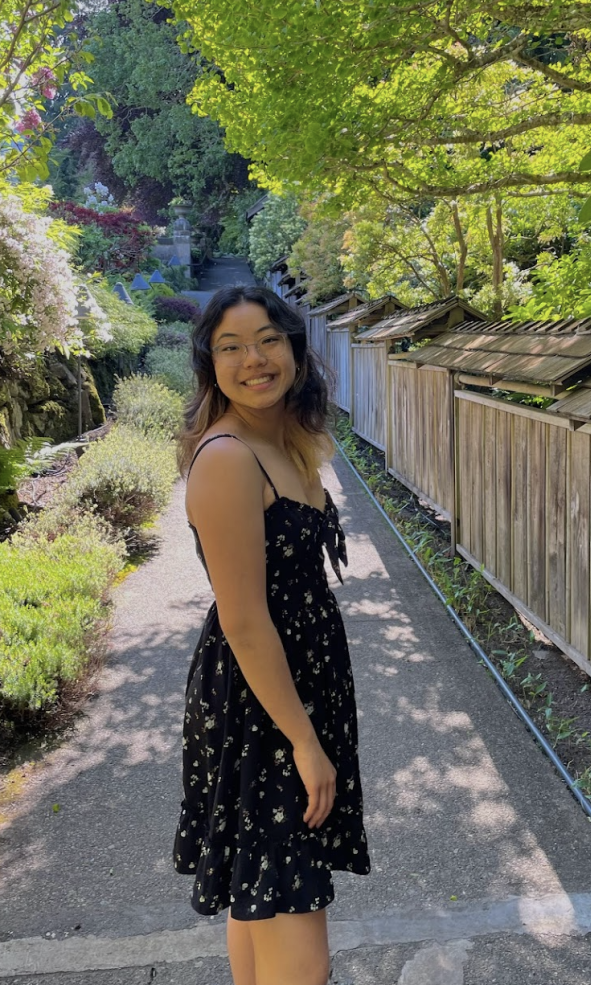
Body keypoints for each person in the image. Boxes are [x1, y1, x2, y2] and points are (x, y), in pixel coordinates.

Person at [173, 286, 370, 985]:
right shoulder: (228, 457)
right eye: (230, 346)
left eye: (267, 340)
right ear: (209, 362)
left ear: (292, 346)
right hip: (264, 707)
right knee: (302, 946)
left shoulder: (285, 439)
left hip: (291, 692)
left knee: (258, 892)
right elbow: (246, 621)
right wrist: (305, 740)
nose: (253, 359)